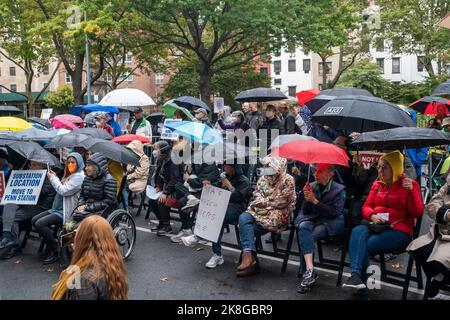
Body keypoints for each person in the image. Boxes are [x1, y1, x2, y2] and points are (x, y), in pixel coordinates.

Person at [342, 151, 424, 295]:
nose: (380, 170)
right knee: (356, 232)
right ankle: (355, 276)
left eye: (384, 167)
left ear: (395, 168)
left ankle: (361, 292)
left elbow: (417, 212)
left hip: (399, 230)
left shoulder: (410, 184)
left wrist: (411, 191)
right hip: (376, 225)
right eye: (379, 167)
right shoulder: (377, 184)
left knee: (365, 246)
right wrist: (372, 216)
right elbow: (366, 206)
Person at [181, 162, 251, 269]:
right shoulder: (225, 177)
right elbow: (216, 190)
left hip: (237, 210)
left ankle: (198, 237)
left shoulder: (244, 181)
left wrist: (230, 187)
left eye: (227, 166)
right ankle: (216, 254)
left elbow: (238, 198)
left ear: (234, 168)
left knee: (218, 215)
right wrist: (210, 185)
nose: (224, 168)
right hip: (222, 207)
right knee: (215, 214)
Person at [236, 156, 296, 277]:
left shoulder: (288, 180)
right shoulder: (263, 178)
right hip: (259, 211)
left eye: (268, 166)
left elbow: (282, 201)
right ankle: (248, 255)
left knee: (247, 229)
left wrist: (265, 203)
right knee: (243, 217)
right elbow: (256, 194)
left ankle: (252, 261)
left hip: (278, 214)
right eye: (265, 166)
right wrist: (267, 203)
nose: (265, 168)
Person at [295, 164, 345, 293]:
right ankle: (310, 270)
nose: (315, 174)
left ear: (330, 174)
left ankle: (306, 271)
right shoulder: (311, 185)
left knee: (309, 236)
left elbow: (334, 213)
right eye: (315, 171)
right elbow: (306, 212)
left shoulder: (339, 189)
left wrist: (315, 201)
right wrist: (306, 199)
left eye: (320, 171)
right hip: (314, 218)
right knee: (303, 227)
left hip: (330, 221)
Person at [51, 215, 128, 300]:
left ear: (83, 241)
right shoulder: (111, 263)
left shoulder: (84, 279)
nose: (73, 237)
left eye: (77, 234)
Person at [31, 153, 85, 264]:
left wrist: (52, 178)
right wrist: (55, 177)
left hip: (66, 211)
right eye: (68, 162)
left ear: (79, 163)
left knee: (40, 223)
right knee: (34, 220)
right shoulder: (71, 175)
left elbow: (63, 190)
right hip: (56, 208)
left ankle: (55, 250)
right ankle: (50, 245)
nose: (70, 164)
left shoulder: (79, 177)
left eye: (73, 162)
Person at [0, 161, 56, 260]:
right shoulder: (31, 173)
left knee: (12, 217)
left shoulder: (48, 177)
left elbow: (39, 194)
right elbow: (12, 188)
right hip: (28, 203)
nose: (31, 167)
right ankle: (7, 237)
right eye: (30, 164)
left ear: (41, 167)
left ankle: (12, 243)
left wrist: (29, 181)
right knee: (9, 204)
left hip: (40, 207)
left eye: (34, 165)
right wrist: (21, 176)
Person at [407, 176, 450, 298]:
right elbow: (432, 206)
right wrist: (446, 214)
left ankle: (442, 279)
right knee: (416, 249)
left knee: (440, 259)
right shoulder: (447, 186)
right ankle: (439, 277)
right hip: (440, 233)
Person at [171, 149, 221, 243]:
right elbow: (196, 178)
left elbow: (199, 183)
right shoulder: (199, 163)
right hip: (195, 190)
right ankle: (187, 228)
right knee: (178, 187)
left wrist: (188, 179)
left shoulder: (209, 166)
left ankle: (187, 228)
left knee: (183, 201)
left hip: (207, 192)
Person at [148, 141, 182, 235]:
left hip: (176, 190)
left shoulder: (173, 160)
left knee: (161, 201)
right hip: (167, 188)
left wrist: (165, 192)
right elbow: (159, 176)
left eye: (156, 149)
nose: (155, 151)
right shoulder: (160, 160)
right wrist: (158, 186)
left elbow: (175, 179)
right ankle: (162, 222)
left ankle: (167, 226)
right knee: (151, 202)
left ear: (163, 150)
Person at [73, 153, 117, 218]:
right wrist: (81, 204)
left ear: (97, 167)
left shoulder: (109, 180)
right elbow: (82, 195)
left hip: (103, 211)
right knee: (68, 225)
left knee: (80, 226)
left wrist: (88, 207)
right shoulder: (87, 178)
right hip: (86, 209)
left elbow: (108, 202)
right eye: (86, 165)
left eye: (88, 166)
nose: (85, 168)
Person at [123, 140, 150, 207]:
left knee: (123, 188)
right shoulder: (134, 157)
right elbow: (129, 169)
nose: (131, 151)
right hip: (132, 179)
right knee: (121, 184)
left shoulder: (144, 158)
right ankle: (123, 204)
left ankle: (125, 207)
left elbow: (139, 173)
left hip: (140, 181)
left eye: (132, 149)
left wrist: (127, 177)